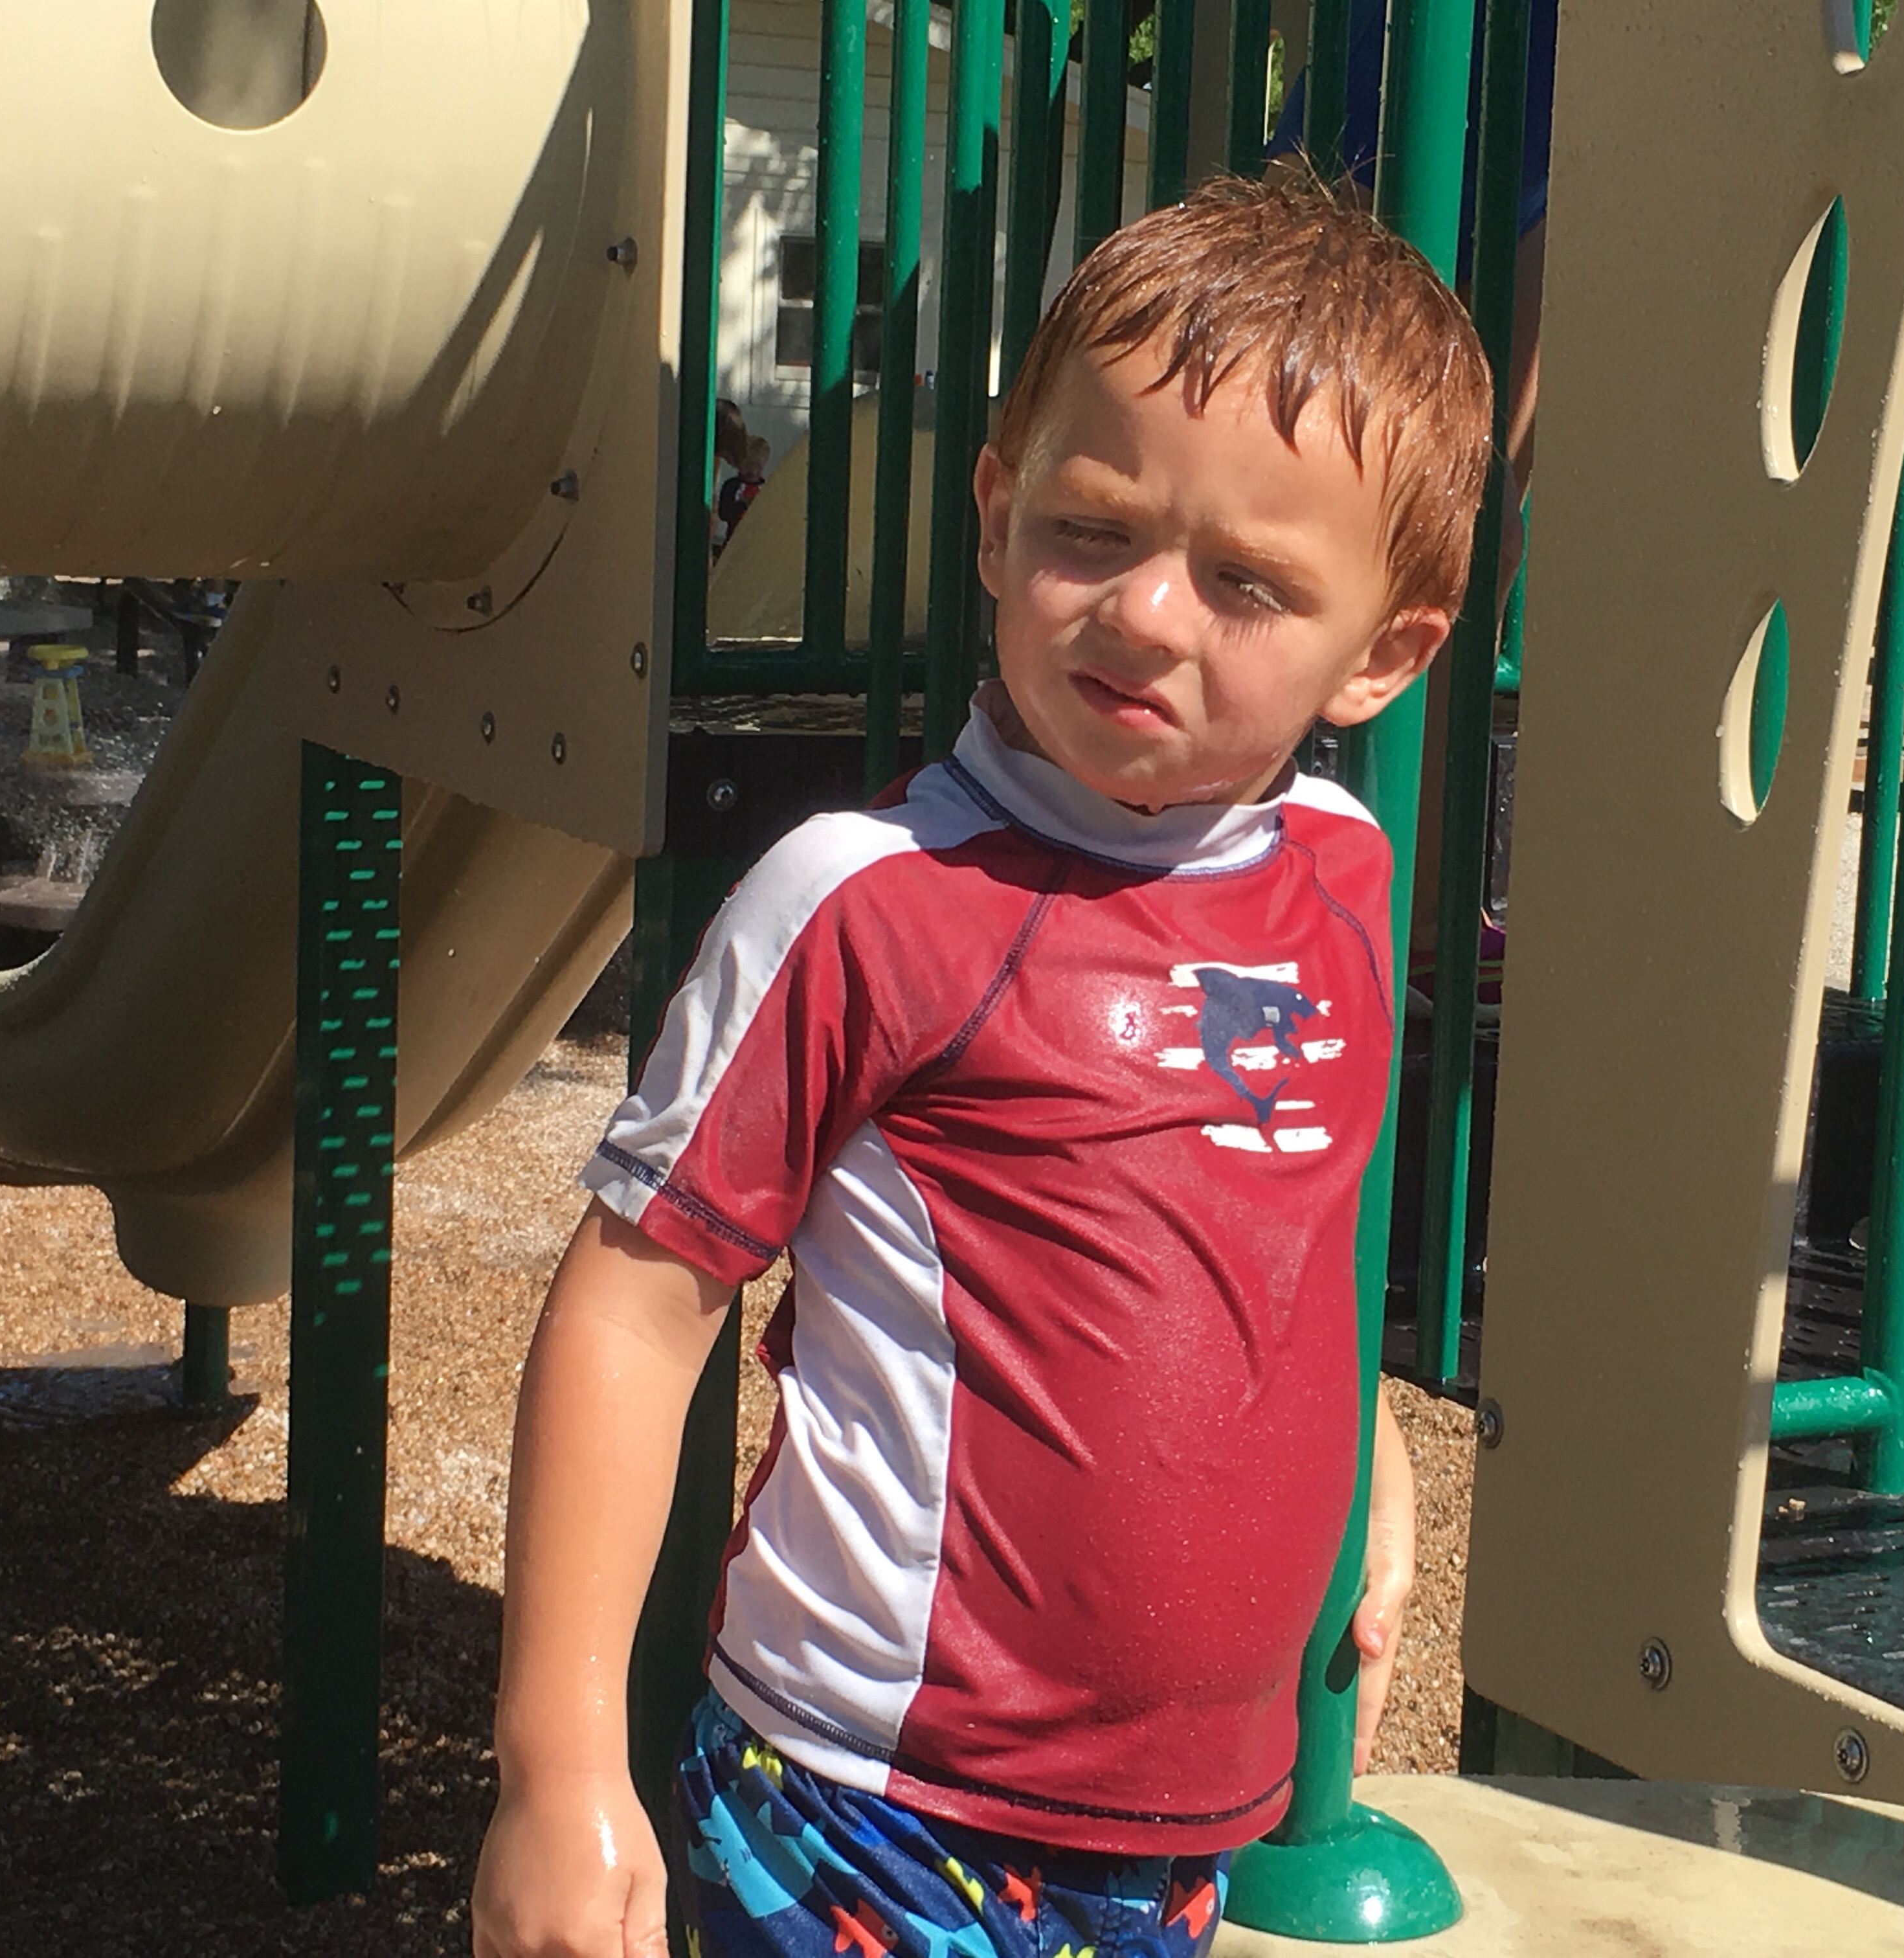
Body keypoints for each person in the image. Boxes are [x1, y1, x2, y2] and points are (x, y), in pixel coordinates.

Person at [471, 170, 1494, 1958]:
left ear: (1386, 656)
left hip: (1175, 1829)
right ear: (1000, 515)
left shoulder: (1341, 877)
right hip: (871, 1801)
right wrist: (559, 1768)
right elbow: (635, 1312)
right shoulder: (868, 906)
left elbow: (1281, 1238)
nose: (1150, 613)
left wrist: (1363, 1450)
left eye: (1249, 583)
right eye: (1096, 530)